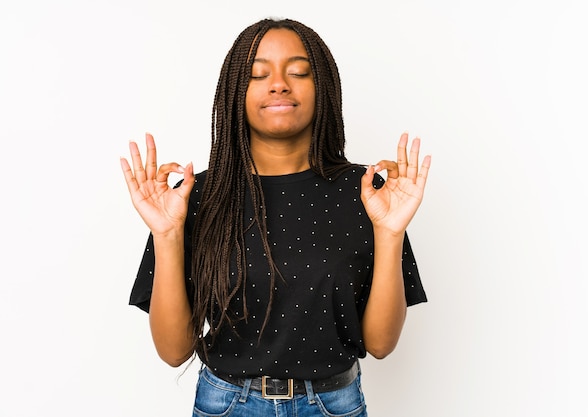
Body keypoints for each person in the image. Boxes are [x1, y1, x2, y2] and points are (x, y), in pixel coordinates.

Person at [120, 17, 431, 417]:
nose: (280, 83)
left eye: (299, 71)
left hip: (334, 404)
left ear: (323, 88)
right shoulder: (194, 197)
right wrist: (166, 234)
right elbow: (174, 351)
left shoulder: (369, 193)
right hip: (227, 406)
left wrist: (390, 232)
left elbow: (381, 344)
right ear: (235, 92)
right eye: (257, 74)